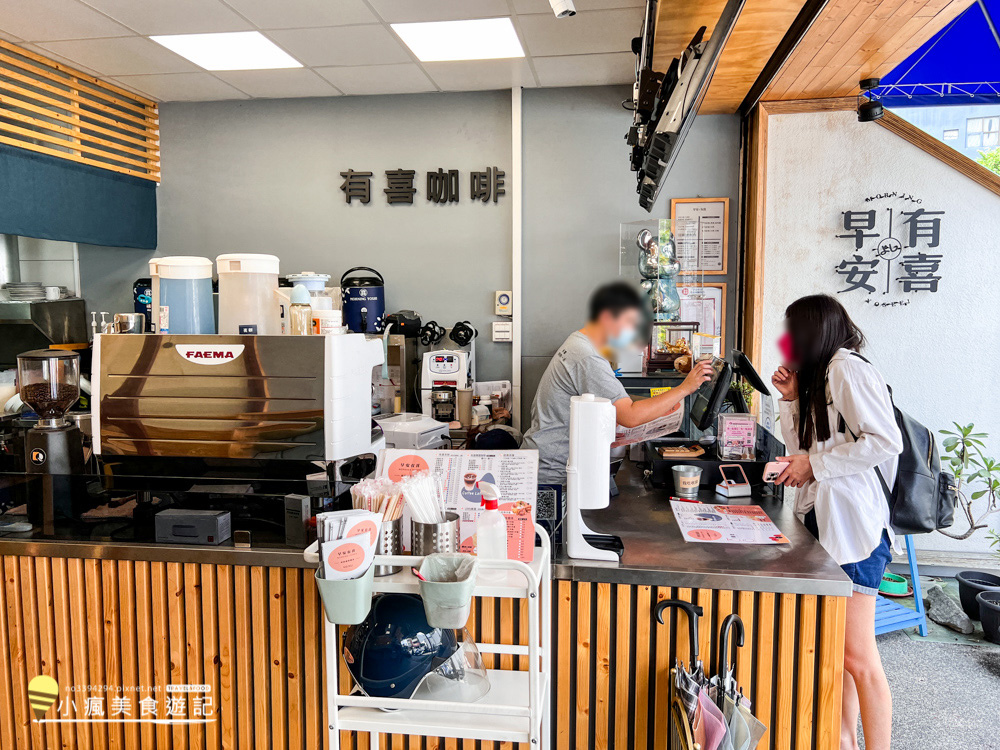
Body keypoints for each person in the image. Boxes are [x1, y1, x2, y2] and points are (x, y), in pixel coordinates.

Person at [770, 294, 902, 750]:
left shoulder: (846, 367)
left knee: (858, 657)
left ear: (812, 332)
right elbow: (803, 448)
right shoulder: (820, 377)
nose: (785, 342)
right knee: (838, 651)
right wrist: (789, 401)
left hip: (857, 530)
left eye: (791, 332)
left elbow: (886, 441)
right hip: (828, 524)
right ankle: (843, 741)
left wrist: (815, 467)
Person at [523, 281, 713, 484]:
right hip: (551, 471)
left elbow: (615, 401)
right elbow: (629, 415)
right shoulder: (587, 357)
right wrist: (686, 388)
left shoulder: (581, 343)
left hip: (547, 461)